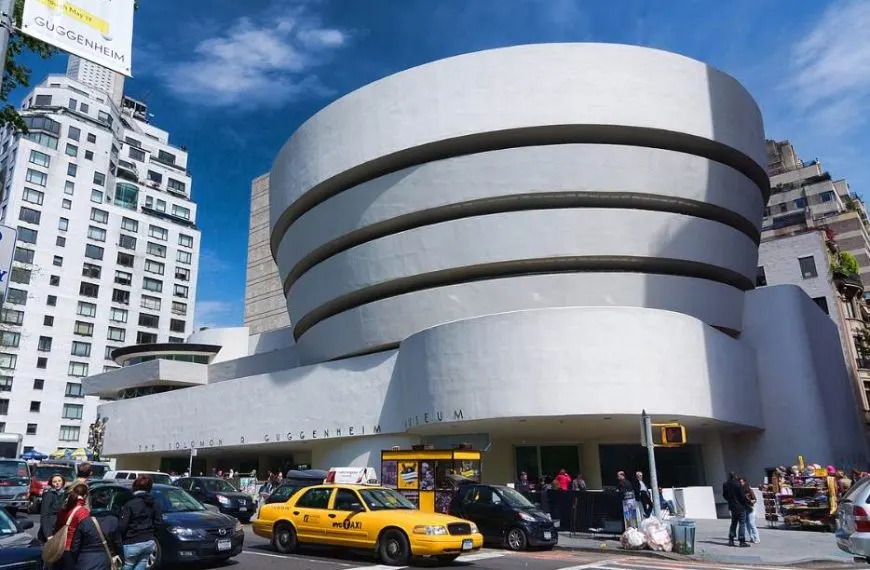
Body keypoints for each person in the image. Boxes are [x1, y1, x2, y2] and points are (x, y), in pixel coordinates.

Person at [119, 475, 161, 570]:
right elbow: (158, 523)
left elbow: (122, 526)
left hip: (132, 541)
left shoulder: (130, 504)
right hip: (149, 542)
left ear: (135, 487)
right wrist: (152, 534)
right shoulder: (155, 503)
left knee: (127, 565)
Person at [54, 483, 91, 569]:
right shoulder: (83, 511)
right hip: (73, 548)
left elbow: (57, 527)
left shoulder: (64, 508)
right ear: (85, 495)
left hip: (60, 547)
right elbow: (85, 530)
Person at [722, 472, 751, 547]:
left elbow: (724, 495)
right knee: (742, 524)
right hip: (740, 506)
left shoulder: (725, 484)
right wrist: (747, 502)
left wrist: (730, 500)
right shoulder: (738, 484)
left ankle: (731, 540)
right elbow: (742, 496)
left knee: (733, 523)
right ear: (735, 476)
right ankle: (742, 541)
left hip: (732, 506)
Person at [39, 473, 66, 543]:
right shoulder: (49, 495)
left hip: (59, 528)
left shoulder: (65, 494)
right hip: (50, 529)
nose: (57, 483)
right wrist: (48, 534)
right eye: (55, 481)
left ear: (63, 482)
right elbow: (44, 515)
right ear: (51, 483)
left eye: (59, 481)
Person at [740, 477, 760, 544]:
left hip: (751, 508)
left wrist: (751, 501)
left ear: (745, 482)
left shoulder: (749, 490)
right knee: (747, 524)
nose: (741, 483)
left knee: (752, 523)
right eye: (740, 482)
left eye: (742, 482)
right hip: (744, 509)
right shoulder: (739, 491)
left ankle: (757, 538)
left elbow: (755, 499)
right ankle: (751, 537)